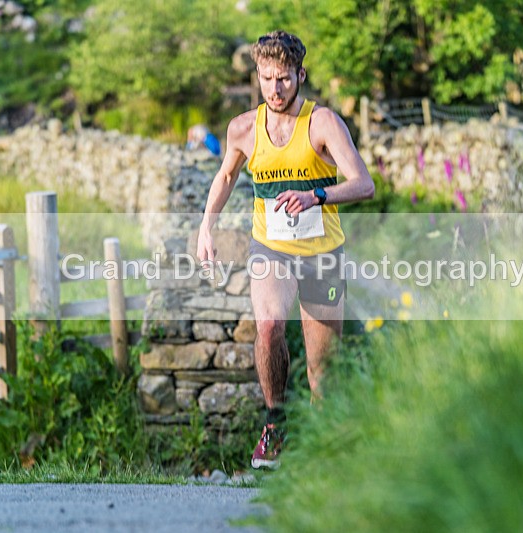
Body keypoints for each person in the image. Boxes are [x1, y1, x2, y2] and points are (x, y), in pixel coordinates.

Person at [196, 30, 375, 469]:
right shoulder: (243, 129)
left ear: (301, 74)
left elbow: (364, 184)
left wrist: (316, 195)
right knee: (270, 325)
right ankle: (275, 424)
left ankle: (320, 450)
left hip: (322, 253)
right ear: (257, 76)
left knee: (322, 372)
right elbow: (225, 178)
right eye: (267, 79)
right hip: (271, 249)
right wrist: (206, 227)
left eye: (284, 79)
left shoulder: (323, 123)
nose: (275, 89)